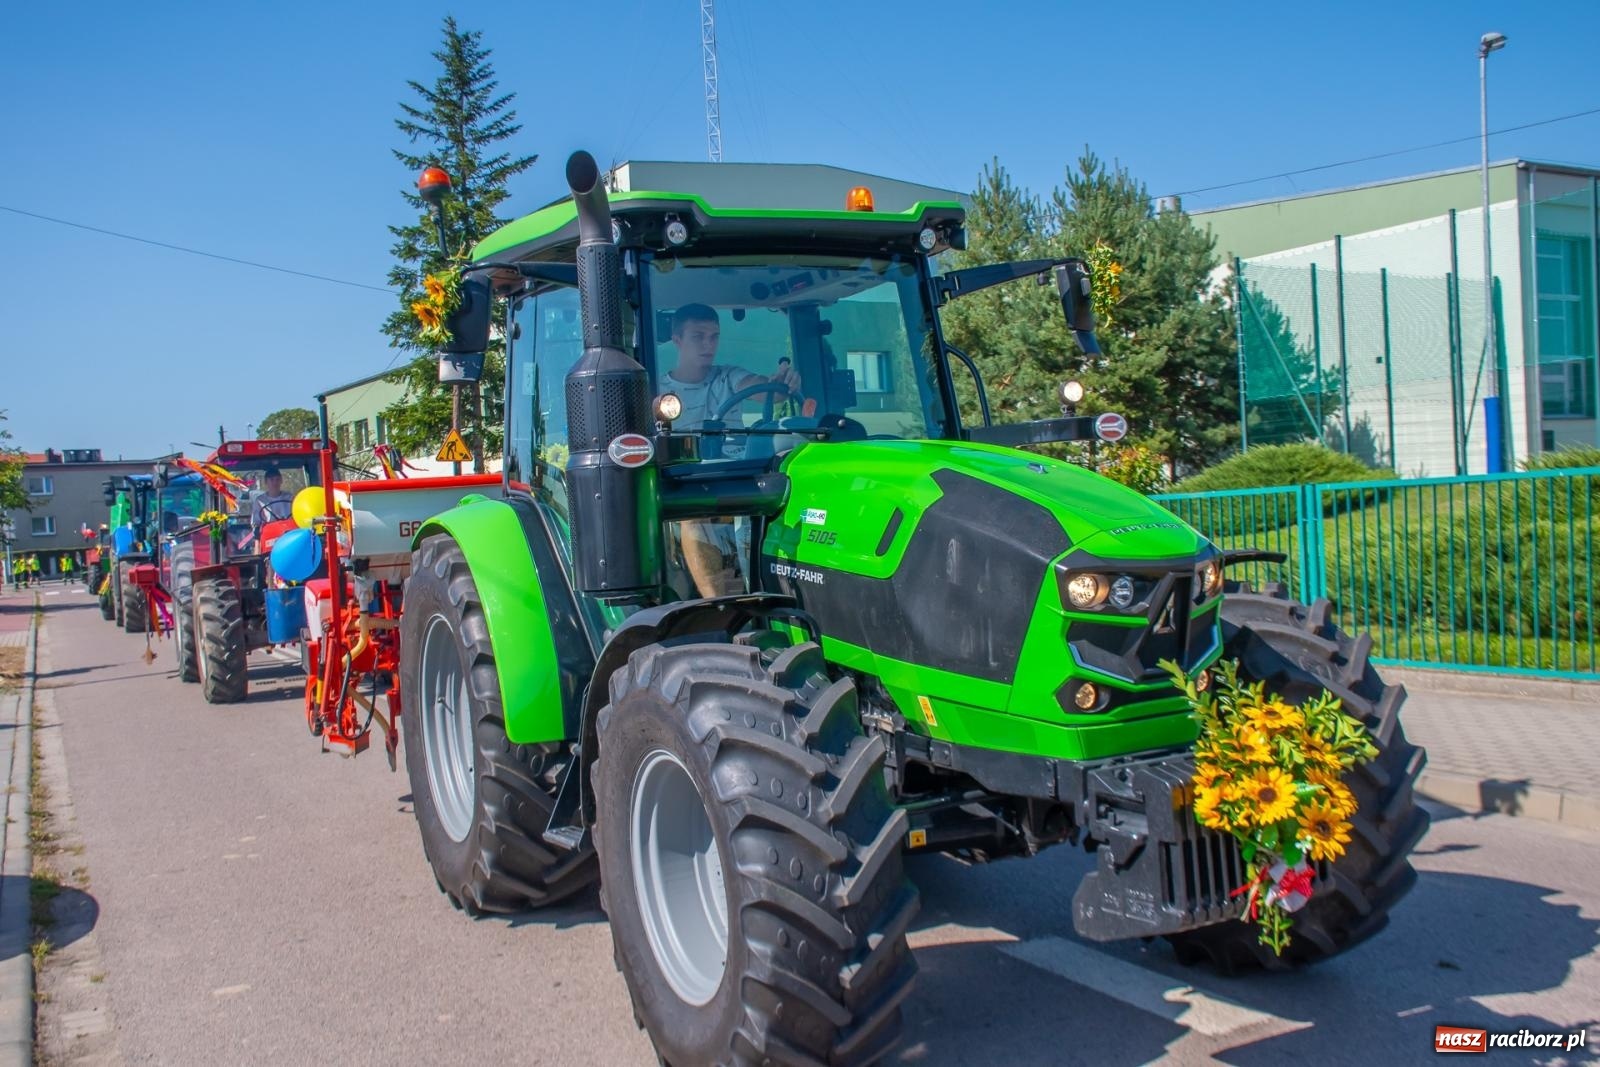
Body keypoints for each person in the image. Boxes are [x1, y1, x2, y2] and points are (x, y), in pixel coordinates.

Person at [658, 303, 802, 597]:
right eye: (698, 336)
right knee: (695, 515)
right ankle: (723, 605)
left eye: (714, 336)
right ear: (677, 340)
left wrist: (778, 383)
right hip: (689, 487)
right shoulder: (659, 393)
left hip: (739, 478)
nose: (708, 344)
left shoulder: (727, 377)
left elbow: (760, 388)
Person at [248, 466, 296, 548]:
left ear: (281, 480)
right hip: (270, 538)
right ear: (266, 482)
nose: (275, 483)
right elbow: (256, 525)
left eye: (277, 479)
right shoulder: (260, 501)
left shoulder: (290, 498)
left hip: (289, 535)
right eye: (271, 480)